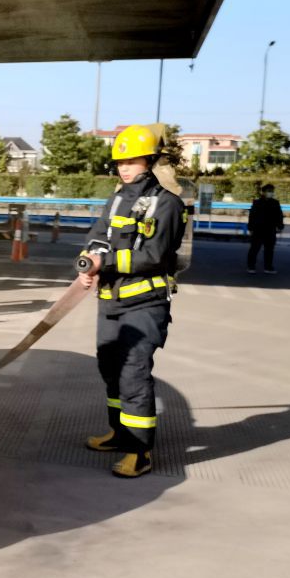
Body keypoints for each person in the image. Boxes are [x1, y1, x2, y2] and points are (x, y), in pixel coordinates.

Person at [76, 125, 186, 479]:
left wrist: (104, 263)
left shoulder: (167, 204)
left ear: (149, 161)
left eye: (132, 161)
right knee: (110, 368)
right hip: (110, 300)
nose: (124, 168)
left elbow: (153, 256)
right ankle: (119, 433)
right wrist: (86, 262)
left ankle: (140, 452)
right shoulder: (117, 199)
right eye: (120, 162)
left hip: (144, 304)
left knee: (133, 375)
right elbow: (97, 237)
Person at [246, 183, 284, 274]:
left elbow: (279, 215)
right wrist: (250, 228)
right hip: (258, 229)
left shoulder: (275, 203)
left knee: (269, 250)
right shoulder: (257, 203)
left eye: (272, 191)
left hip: (270, 229)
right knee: (254, 249)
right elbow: (252, 216)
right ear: (263, 192)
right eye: (269, 191)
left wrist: (280, 226)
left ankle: (268, 267)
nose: (271, 193)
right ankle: (251, 266)